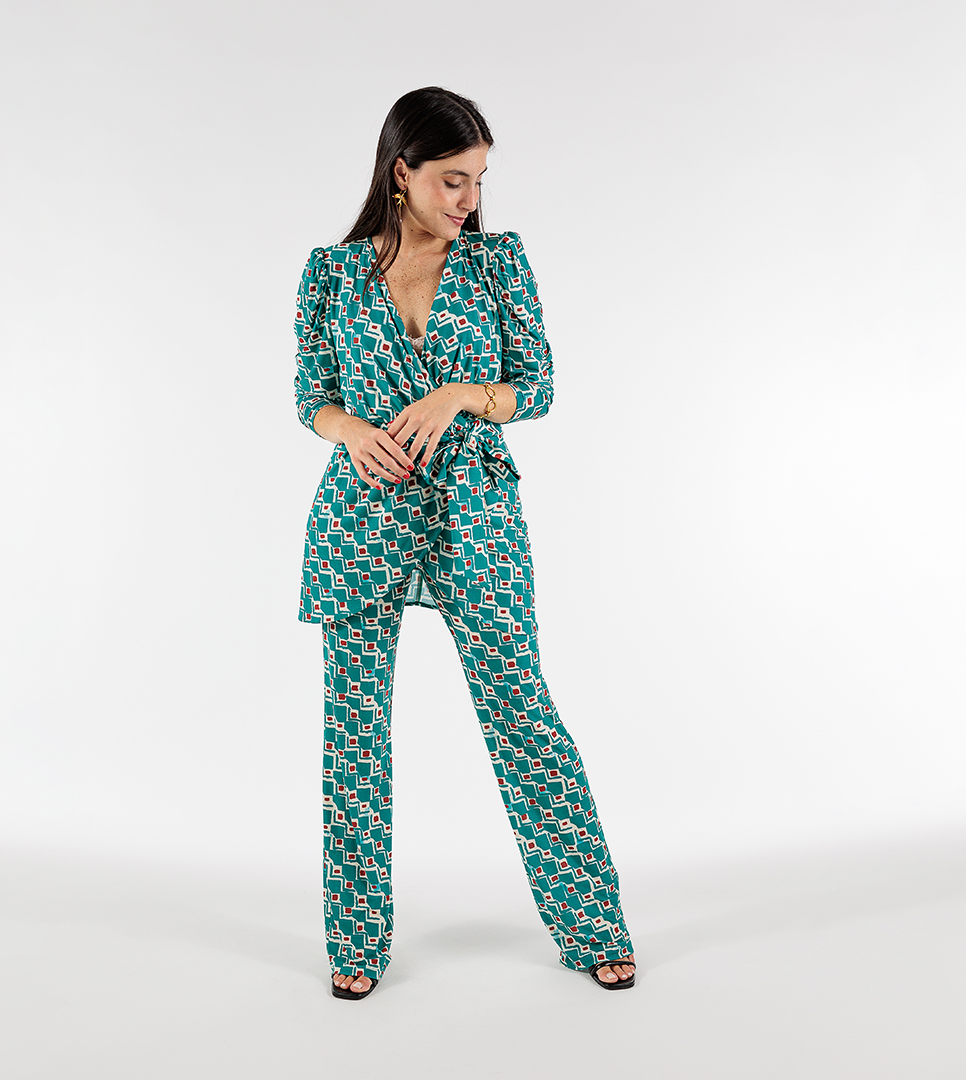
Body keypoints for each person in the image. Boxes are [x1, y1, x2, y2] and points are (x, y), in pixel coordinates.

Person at [293, 86, 635, 1000]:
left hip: (476, 515)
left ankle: (591, 924)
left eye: (479, 180)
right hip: (360, 522)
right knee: (354, 735)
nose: (469, 199)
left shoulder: (496, 264)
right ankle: (356, 941)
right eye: (453, 179)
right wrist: (347, 430)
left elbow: (539, 386)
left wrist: (456, 397)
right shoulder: (330, 275)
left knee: (523, 715)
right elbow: (310, 393)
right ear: (400, 172)